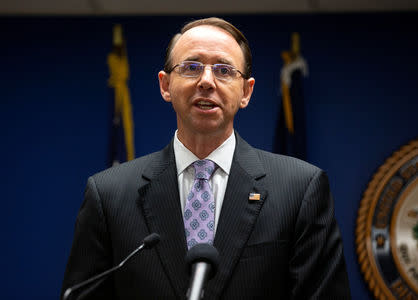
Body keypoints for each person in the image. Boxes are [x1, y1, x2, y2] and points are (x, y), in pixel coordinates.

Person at [61, 17, 351, 299]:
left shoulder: (300, 190)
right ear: (165, 85)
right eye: (191, 67)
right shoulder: (109, 195)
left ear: (246, 92)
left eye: (224, 70)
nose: (206, 81)